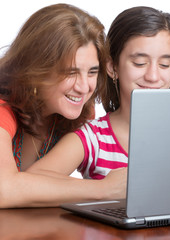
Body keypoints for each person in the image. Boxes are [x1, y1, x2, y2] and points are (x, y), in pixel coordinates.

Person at [28, 6, 170, 179]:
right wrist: (102, 188)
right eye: (139, 63)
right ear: (112, 66)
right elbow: (31, 182)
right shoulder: (93, 137)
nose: (153, 76)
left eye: (164, 65)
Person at [0, 3, 127, 208]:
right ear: (36, 67)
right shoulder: (3, 108)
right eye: (70, 72)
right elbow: (3, 190)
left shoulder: (79, 113)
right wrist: (104, 189)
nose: (84, 87)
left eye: (92, 72)